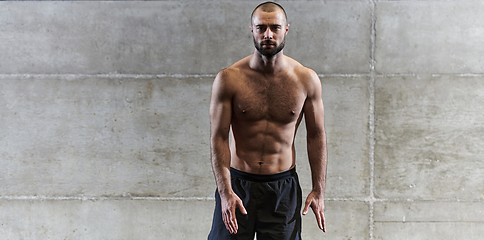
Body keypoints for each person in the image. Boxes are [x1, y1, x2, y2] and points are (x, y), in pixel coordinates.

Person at [208, 2, 327, 239]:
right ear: (252, 30)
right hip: (238, 185)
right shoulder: (229, 79)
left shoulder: (305, 79)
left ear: (286, 29)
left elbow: (316, 135)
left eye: (275, 27)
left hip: (282, 189)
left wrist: (319, 190)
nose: (268, 34)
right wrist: (225, 192)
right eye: (261, 27)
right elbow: (219, 138)